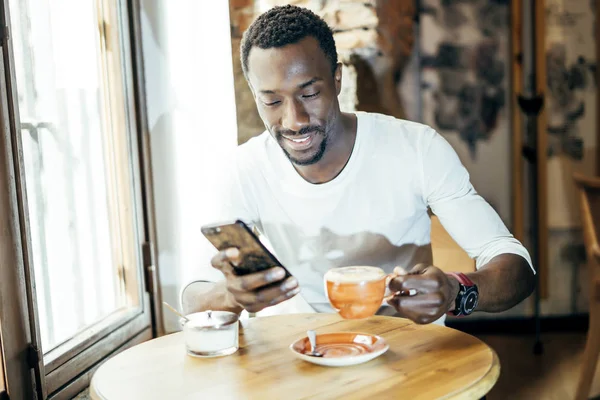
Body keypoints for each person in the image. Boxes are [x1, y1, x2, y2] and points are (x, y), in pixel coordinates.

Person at [182, 5, 535, 325]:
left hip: (407, 355)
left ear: (337, 79)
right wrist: (231, 295)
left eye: (309, 94)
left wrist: (457, 291)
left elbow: (517, 267)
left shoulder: (416, 148)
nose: (293, 120)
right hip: (299, 356)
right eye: (272, 100)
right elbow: (192, 295)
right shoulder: (244, 168)